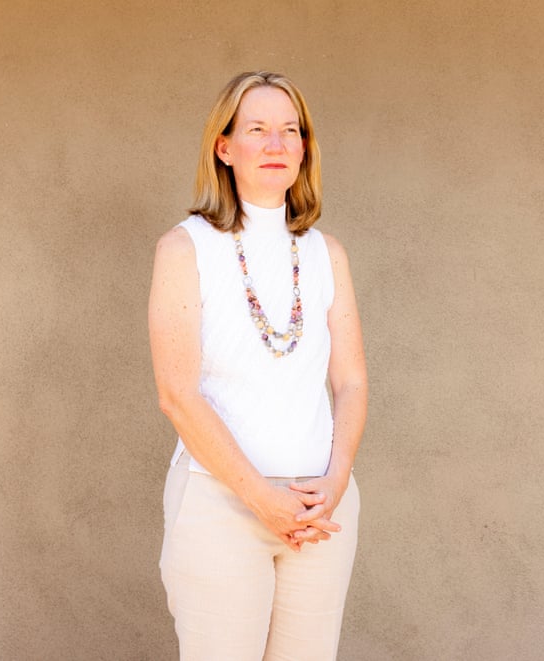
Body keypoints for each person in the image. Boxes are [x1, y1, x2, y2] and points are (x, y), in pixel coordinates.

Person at [148, 70, 367, 661]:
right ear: (225, 147)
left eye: (290, 130)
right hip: (221, 504)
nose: (277, 145)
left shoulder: (327, 254)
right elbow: (177, 395)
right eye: (258, 129)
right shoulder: (184, 248)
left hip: (319, 510)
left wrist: (338, 477)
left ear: (304, 147)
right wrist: (262, 500)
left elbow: (350, 381)